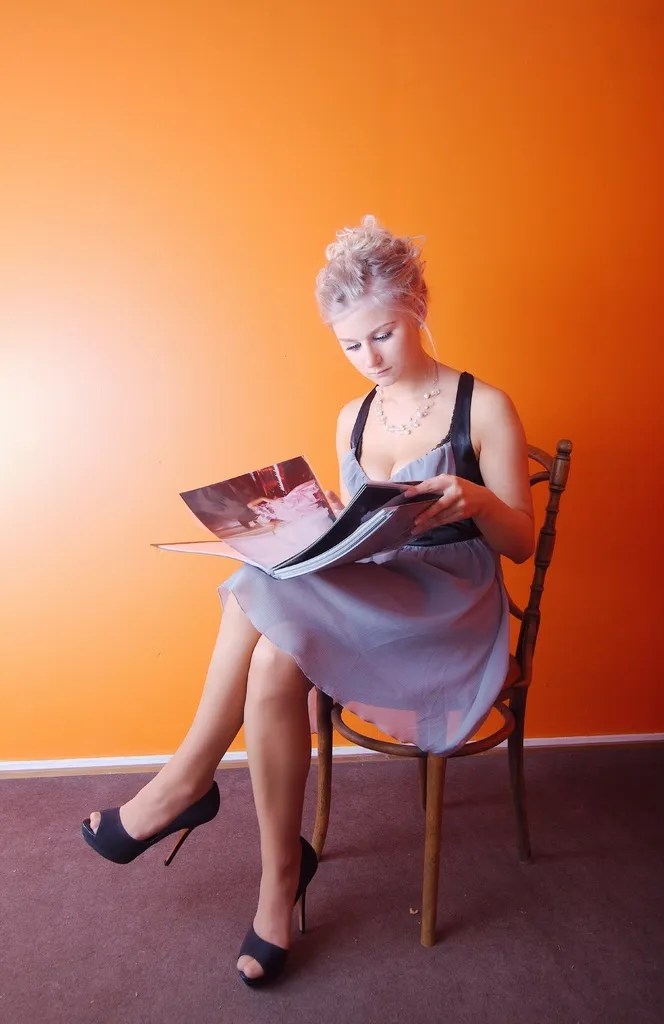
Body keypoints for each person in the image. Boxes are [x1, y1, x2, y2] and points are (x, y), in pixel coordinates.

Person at [81, 215, 534, 986]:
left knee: (257, 594)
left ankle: (185, 786)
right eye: (349, 345)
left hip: (448, 607)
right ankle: (276, 881)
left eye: (382, 336)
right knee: (272, 652)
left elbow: (518, 542)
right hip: (374, 592)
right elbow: (362, 536)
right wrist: (315, 522)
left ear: (418, 304)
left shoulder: (482, 406)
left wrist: (473, 499)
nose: (369, 359)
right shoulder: (350, 416)